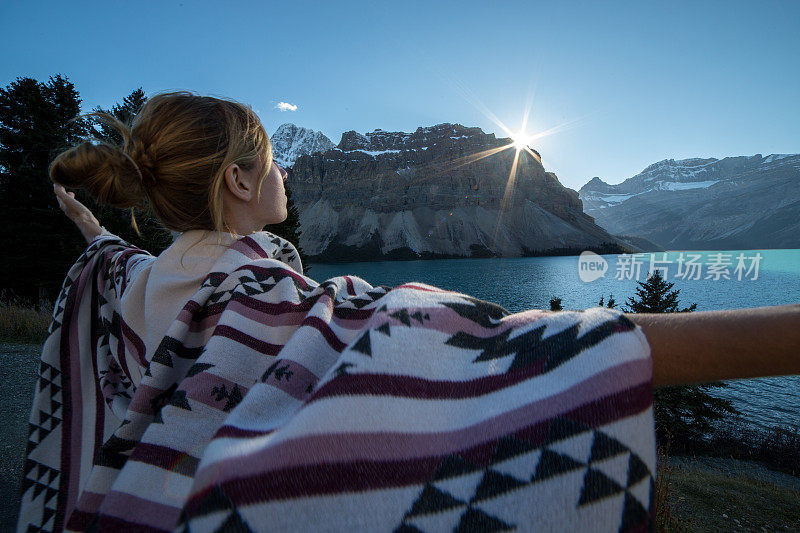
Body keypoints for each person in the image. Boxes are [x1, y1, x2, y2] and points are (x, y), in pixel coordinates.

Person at [19, 91, 799, 533]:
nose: (288, 169)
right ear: (238, 181)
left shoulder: (141, 279)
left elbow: (108, 258)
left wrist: (89, 227)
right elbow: (447, 344)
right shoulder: (265, 294)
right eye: (272, 156)